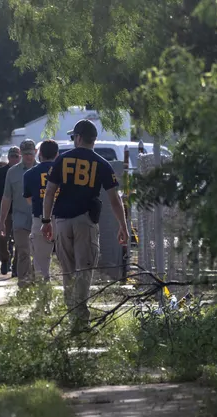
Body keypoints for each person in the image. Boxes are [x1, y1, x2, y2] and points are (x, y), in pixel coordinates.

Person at [41, 119, 130, 330]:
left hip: (62, 221)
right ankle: (80, 318)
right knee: (85, 269)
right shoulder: (102, 163)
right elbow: (114, 199)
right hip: (85, 222)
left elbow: (50, 192)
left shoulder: (61, 160)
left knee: (68, 270)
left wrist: (46, 220)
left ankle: (72, 315)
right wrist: (123, 226)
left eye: (74, 137)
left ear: (79, 138)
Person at [0, 139, 39, 287]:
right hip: (20, 218)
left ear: (35, 152)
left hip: (38, 217)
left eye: (31, 153)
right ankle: (24, 285)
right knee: (23, 251)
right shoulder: (12, 172)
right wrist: (2, 221)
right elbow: (7, 197)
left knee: (38, 253)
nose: (28, 156)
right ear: (21, 153)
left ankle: (37, 284)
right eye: (25, 153)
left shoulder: (42, 170)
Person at [23, 139, 59, 282]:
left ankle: (43, 299)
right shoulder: (63, 170)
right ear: (57, 154)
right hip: (64, 217)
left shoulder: (29, 174)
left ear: (40, 154)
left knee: (41, 263)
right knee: (69, 261)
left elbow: (29, 199)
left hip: (40, 218)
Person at [0, 147, 21, 274]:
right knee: (1, 238)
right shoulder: (0, 173)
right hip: (4, 212)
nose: (14, 158)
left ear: (20, 157)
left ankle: (17, 265)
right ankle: (5, 259)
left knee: (20, 240)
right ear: (8, 158)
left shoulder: (25, 171)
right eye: (11, 156)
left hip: (20, 212)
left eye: (16, 156)